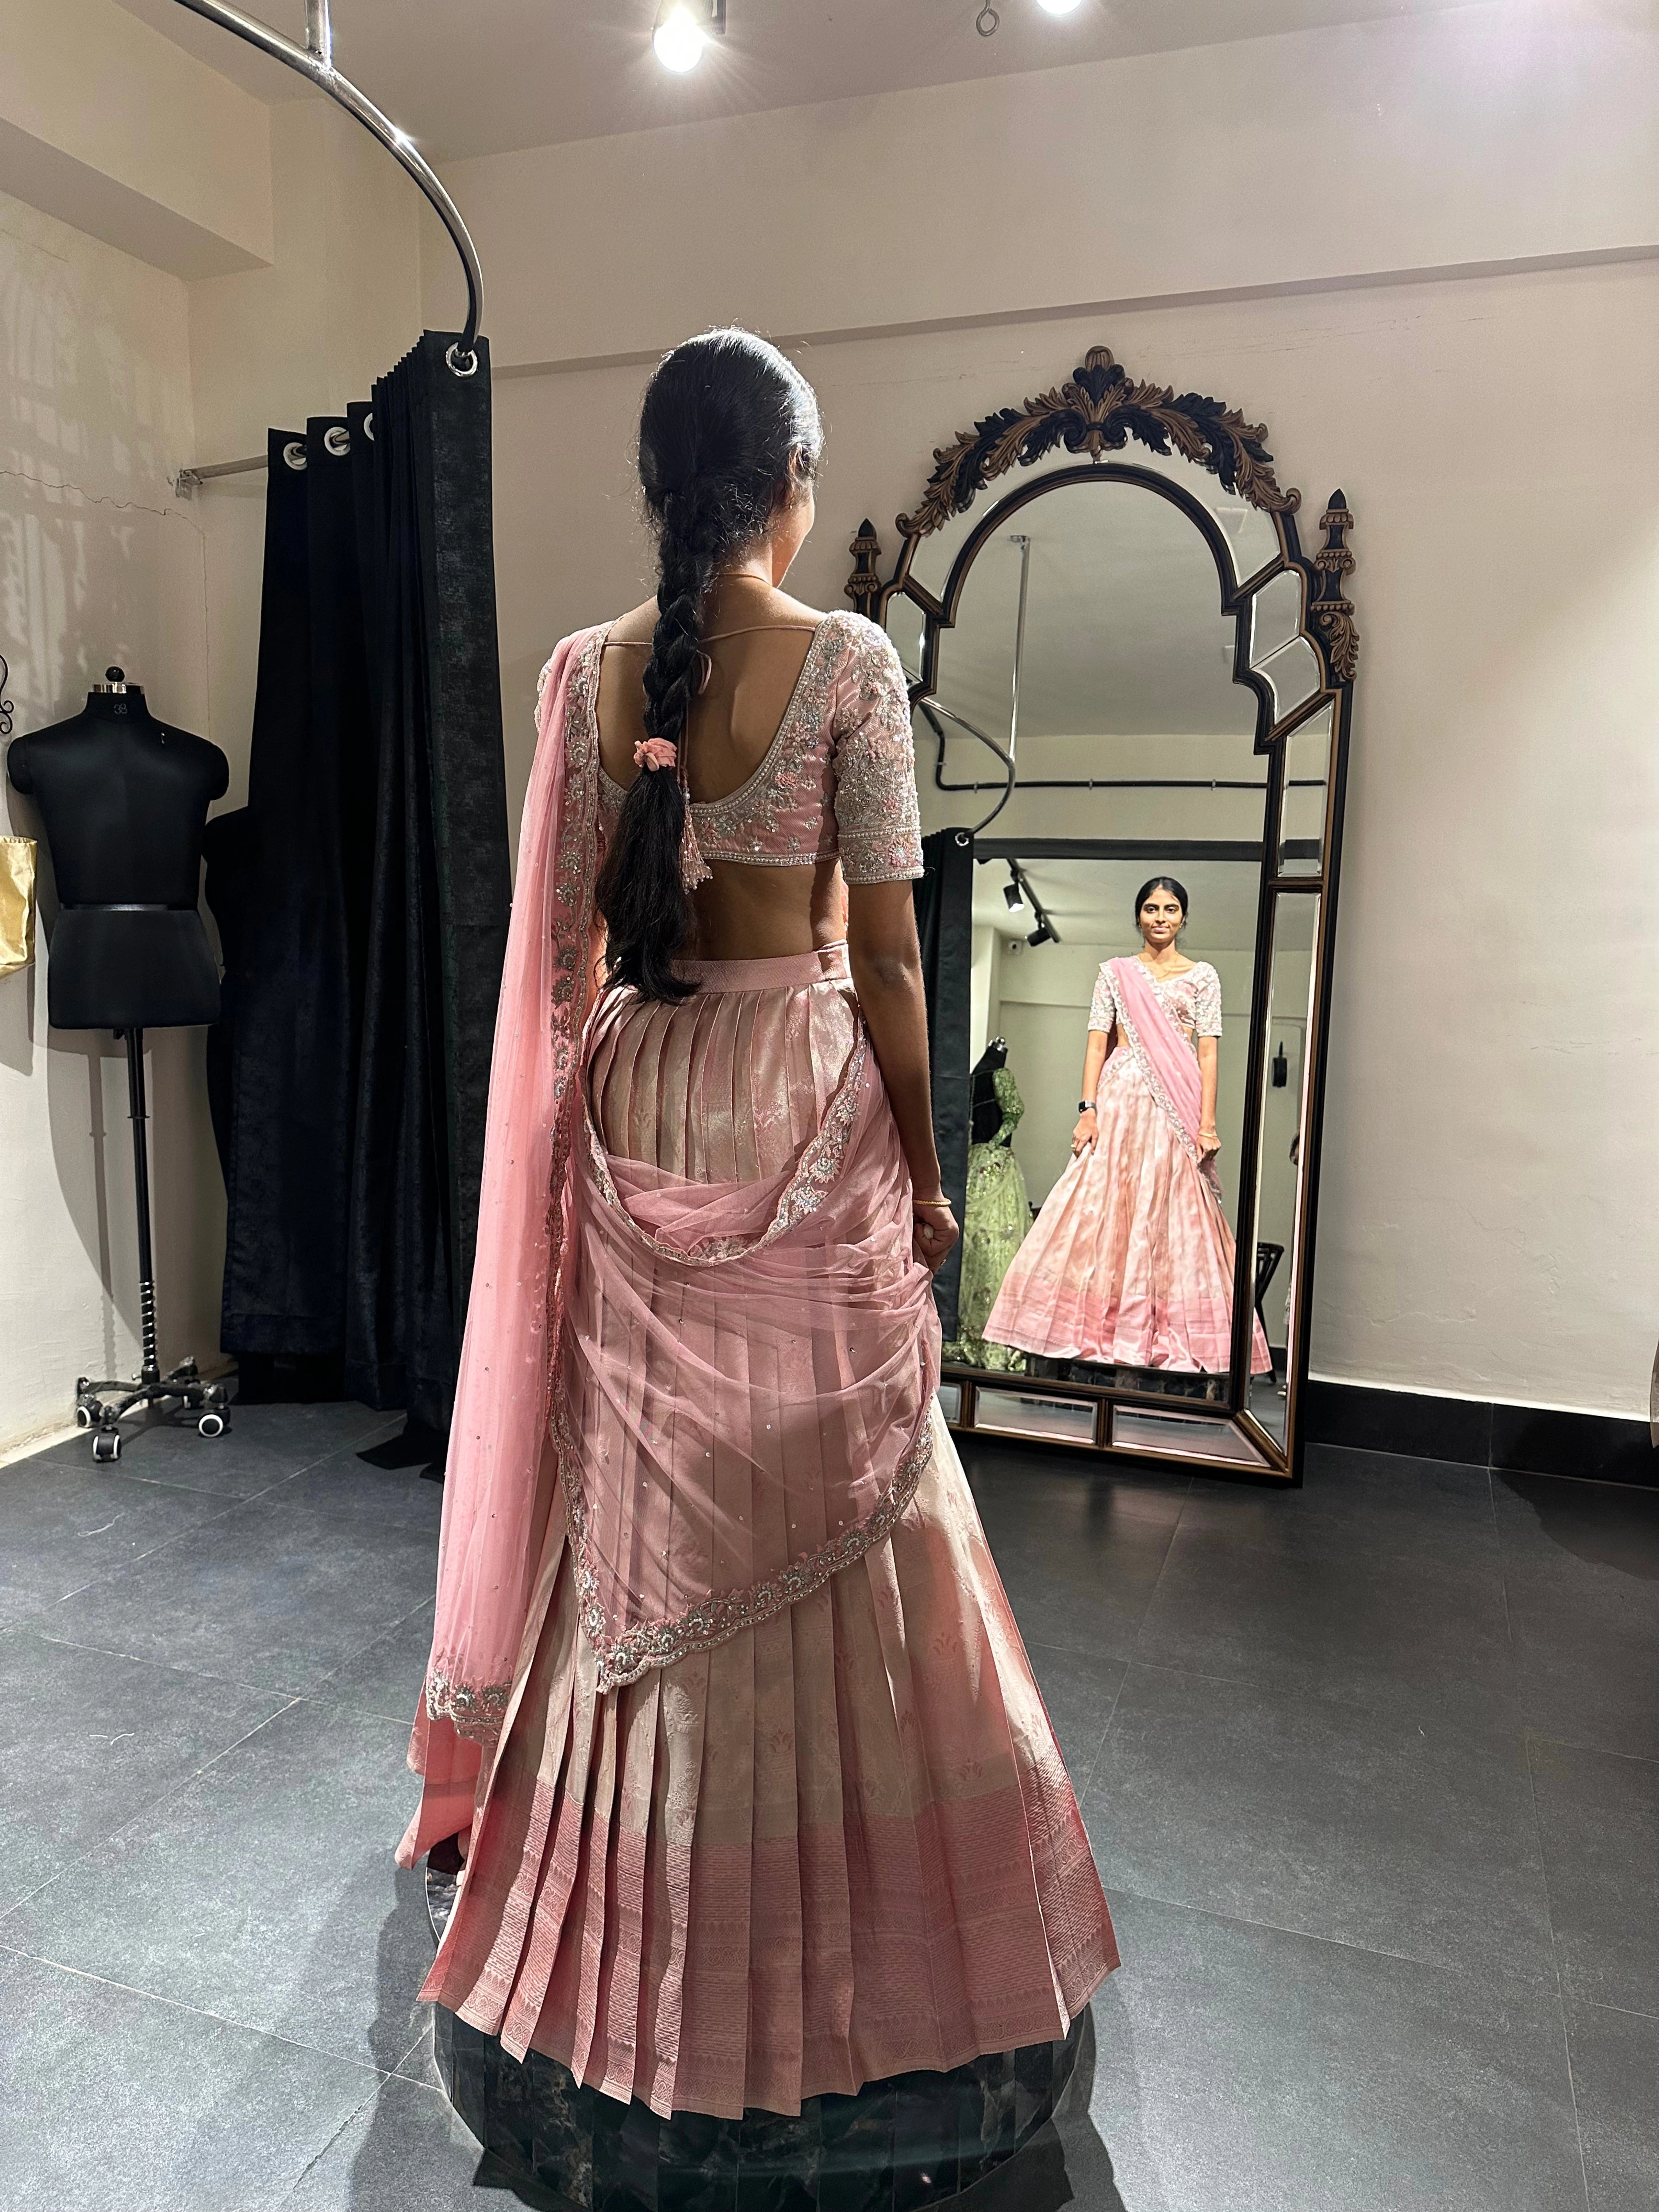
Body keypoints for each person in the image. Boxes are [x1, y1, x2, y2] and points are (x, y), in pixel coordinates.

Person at [397, 329, 1115, 2121]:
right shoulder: (850, 659)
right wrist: (929, 1173)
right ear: (790, 482)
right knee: (852, 1503)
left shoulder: (585, 673)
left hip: (638, 1087)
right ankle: (871, 1908)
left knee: (641, 1510)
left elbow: (564, 953)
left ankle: (632, 1901)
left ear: (660, 487)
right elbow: (890, 954)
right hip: (799, 1088)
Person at [986, 876, 1272, 1376]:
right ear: (1138, 916)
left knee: (1171, 1210)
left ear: (1184, 916)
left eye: (1171, 908)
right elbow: (1098, 1043)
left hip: (1175, 1108)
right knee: (1098, 1204)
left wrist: (1207, 1124)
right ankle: (1090, 1330)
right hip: (1119, 1100)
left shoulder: (1203, 976)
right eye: (1152, 908)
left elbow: (1208, 1052)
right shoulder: (1115, 974)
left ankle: (1159, 1334)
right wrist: (1088, 1109)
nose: (1161, 917)